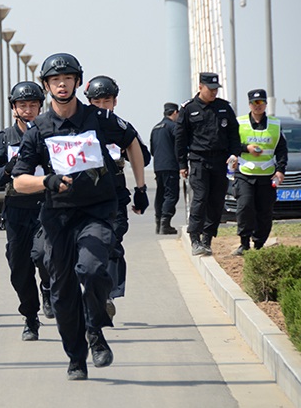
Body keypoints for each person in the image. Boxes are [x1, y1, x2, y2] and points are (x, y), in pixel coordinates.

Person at [12, 53, 148, 381]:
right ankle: (76, 356)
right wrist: (47, 181)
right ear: (47, 86)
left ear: (76, 82)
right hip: (58, 217)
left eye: (68, 78)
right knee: (63, 293)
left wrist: (141, 186)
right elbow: (18, 179)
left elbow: (132, 143)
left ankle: (96, 333)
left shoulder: (98, 118)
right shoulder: (38, 130)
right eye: (55, 80)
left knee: (95, 269)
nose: (62, 84)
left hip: (98, 211)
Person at [0, 81, 52, 341]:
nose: (28, 110)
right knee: (19, 267)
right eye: (22, 105)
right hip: (15, 211)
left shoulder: (51, 134)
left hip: (46, 206)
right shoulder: (2, 140)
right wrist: (8, 170)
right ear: (14, 108)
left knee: (44, 253)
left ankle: (48, 287)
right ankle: (30, 318)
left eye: (33, 105)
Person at [84, 75, 151, 319]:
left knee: (111, 244)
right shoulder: (78, 124)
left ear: (115, 102)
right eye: (97, 101)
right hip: (84, 197)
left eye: (107, 101)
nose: (102, 106)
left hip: (114, 196)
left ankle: (107, 295)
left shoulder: (121, 126)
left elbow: (141, 154)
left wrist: (141, 190)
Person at [175, 72, 240, 256]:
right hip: (198, 160)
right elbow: (180, 140)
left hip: (220, 161)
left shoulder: (224, 108)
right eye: (210, 89)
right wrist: (182, 164)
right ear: (200, 87)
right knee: (200, 197)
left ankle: (207, 239)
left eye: (215, 90)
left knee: (216, 200)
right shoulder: (188, 109)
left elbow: (234, 134)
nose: (213, 93)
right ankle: (195, 238)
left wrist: (234, 154)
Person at [231, 89, 288, 255]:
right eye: (255, 103)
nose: (258, 106)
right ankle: (244, 243)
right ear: (249, 104)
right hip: (245, 174)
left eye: (261, 102)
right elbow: (232, 145)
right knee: (245, 207)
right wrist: (246, 148)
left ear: (265, 104)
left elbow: (282, 149)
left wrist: (280, 170)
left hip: (267, 175)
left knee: (265, 211)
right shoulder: (239, 123)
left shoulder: (275, 124)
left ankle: (259, 245)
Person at [150, 102, 181, 235]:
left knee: (160, 194)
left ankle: (159, 223)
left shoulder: (155, 128)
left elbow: (152, 149)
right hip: (171, 165)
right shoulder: (174, 127)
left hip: (158, 166)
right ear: (174, 113)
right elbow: (180, 146)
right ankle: (165, 223)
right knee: (171, 194)